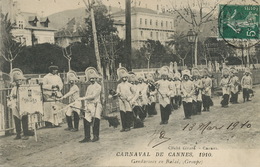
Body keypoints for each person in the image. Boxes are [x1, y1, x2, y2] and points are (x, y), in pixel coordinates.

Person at [8, 68, 34, 140]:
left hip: (23, 104)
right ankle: (18, 133)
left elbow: (28, 95)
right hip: (16, 104)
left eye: (21, 80)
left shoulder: (24, 88)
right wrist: (13, 98)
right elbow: (11, 96)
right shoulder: (14, 89)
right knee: (16, 119)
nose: (19, 81)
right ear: (15, 81)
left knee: (24, 118)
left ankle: (26, 132)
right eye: (17, 80)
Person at [78, 67, 102, 143]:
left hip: (96, 105)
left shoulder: (98, 86)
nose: (92, 80)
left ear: (96, 78)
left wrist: (82, 98)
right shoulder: (89, 86)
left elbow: (93, 96)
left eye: (93, 78)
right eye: (90, 78)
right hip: (89, 105)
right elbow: (87, 96)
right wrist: (85, 105)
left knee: (95, 120)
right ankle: (87, 137)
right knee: (86, 120)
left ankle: (96, 136)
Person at [116, 67, 135, 132]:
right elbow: (118, 92)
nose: (124, 79)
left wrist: (130, 98)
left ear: (127, 77)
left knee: (128, 113)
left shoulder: (129, 85)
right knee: (122, 113)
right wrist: (118, 94)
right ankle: (124, 126)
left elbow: (134, 93)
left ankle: (128, 126)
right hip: (121, 100)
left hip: (128, 100)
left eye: (125, 77)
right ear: (121, 78)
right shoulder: (119, 85)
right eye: (123, 77)